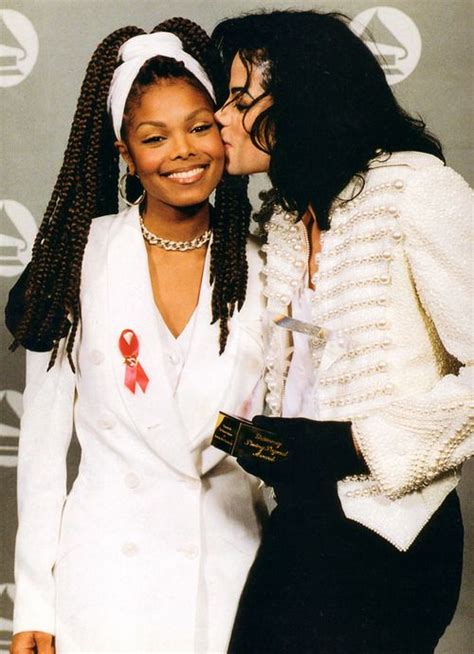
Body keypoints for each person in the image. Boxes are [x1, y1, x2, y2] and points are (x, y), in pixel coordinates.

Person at [212, 9, 473, 654]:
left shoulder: (417, 191)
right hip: (302, 520)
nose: (221, 116)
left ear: (305, 98)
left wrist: (353, 444)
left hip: (393, 532)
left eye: (241, 97)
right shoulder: (282, 216)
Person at [7, 17, 268, 654]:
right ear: (125, 153)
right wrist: (34, 606)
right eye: (155, 137)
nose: (183, 151)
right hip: (108, 586)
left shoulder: (267, 266)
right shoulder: (77, 260)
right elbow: (41, 453)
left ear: (224, 131)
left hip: (236, 571)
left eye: (200, 126)